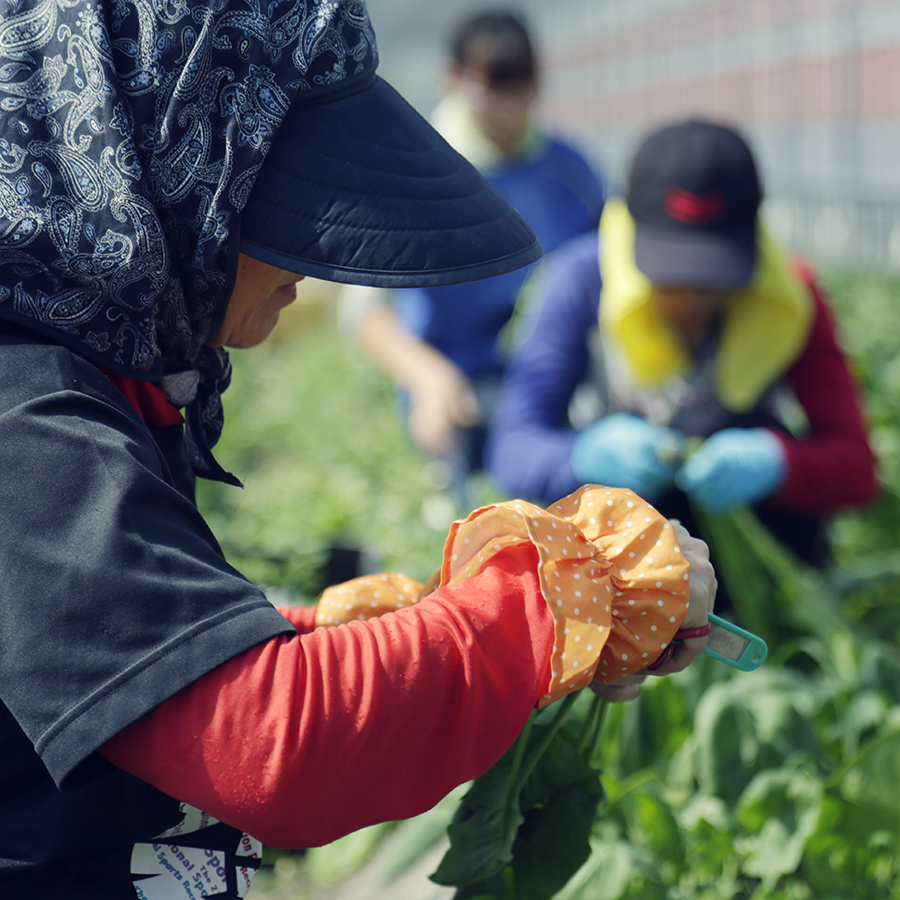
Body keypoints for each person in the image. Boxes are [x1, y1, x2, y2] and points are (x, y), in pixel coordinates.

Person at [0, 4, 715, 897]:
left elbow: (148, 669)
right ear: (157, 170)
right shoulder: (24, 416)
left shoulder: (94, 381)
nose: (316, 262)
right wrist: (577, 586)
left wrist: (383, 630)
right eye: (284, 194)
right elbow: (269, 742)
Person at [486, 119, 878, 588]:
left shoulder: (789, 295)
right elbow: (511, 449)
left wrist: (778, 463)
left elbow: (857, 465)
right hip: (611, 563)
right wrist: (584, 456)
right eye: (671, 282)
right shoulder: (580, 281)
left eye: (713, 282)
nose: (691, 303)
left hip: (749, 553)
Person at [341, 10, 606, 507]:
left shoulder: (572, 173)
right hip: (456, 386)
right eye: (491, 91)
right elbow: (364, 312)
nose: (506, 110)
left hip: (548, 382)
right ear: (453, 79)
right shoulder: (412, 175)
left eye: (520, 91)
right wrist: (426, 377)